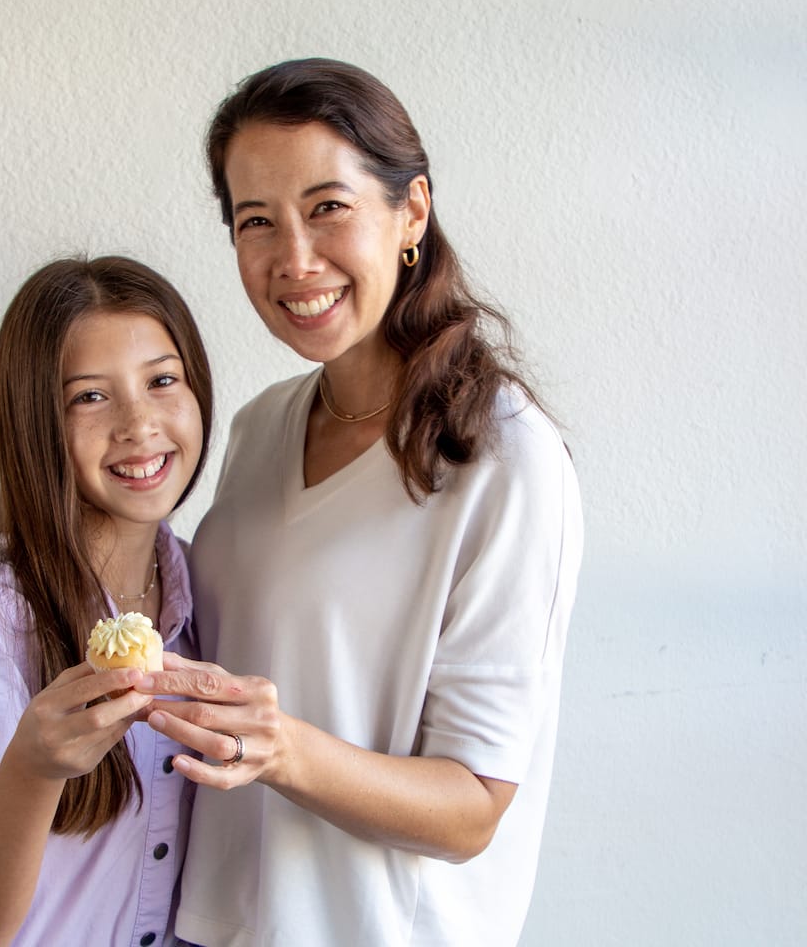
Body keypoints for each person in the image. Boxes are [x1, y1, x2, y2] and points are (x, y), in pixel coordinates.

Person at [140, 58, 584, 946]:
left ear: (411, 210)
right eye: (256, 221)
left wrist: (283, 749)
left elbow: (473, 809)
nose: (294, 258)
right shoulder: (261, 429)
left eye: (328, 207)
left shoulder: (503, 457)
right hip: (212, 923)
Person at [0, 255, 212, 946]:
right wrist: (33, 769)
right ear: (36, 422)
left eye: (162, 380)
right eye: (90, 397)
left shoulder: (204, 595)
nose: (139, 423)